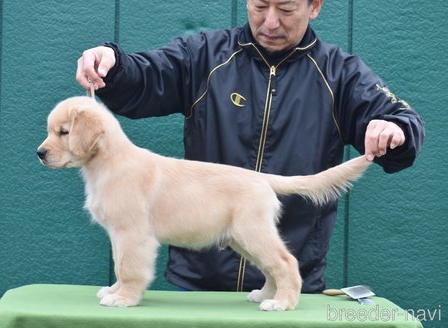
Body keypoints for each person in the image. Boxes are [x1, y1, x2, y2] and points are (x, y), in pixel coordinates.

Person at [75, 0, 424, 293]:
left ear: (315, 6)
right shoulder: (204, 56)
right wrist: (113, 64)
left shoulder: (341, 74)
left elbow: (399, 118)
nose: (270, 21)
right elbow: (145, 78)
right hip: (200, 285)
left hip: (292, 287)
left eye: (285, 9)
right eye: (259, 6)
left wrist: (395, 128)